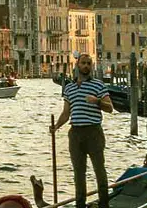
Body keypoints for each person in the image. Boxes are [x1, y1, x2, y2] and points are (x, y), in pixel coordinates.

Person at [50, 54, 114, 208]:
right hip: (75, 134)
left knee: (99, 170)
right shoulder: (69, 88)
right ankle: (80, 205)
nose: (86, 66)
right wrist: (56, 127)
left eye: (88, 63)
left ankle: (104, 204)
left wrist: (97, 101)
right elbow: (66, 113)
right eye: (83, 63)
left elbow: (110, 108)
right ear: (77, 65)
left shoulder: (98, 86)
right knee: (79, 173)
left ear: (91, 66)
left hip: (94, 132)